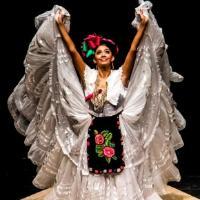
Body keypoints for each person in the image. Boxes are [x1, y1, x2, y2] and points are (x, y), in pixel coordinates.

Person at [8, 1, 186, 200]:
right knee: (91, 168)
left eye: (107, 52)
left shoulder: (120, 76)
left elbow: (134, 50)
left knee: (119, 168)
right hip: (92, 129)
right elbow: (72, 51)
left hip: (118, 129)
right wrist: (59, 26)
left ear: (112, 57)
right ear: (95, 57)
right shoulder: (88, 75)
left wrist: (143, 26)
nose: (103, 54)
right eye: (99, 52)